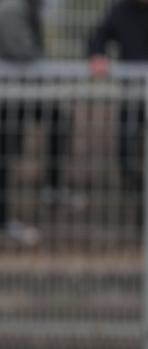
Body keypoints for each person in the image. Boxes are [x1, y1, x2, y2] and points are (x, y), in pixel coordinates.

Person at [0, 0, 72, 245]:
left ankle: (52, 187)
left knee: (57, 121)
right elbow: (22, 51)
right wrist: (48, 67)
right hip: (10, 94)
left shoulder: (24, 8)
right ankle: (1, 220)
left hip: (21, 92)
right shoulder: (12, 9)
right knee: (5, 156)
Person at [87, 0, 148, 215]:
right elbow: (98, 36)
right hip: (132, 92)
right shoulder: (120, 11)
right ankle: (135, 191)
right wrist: (97, 56)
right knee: (125, 147)